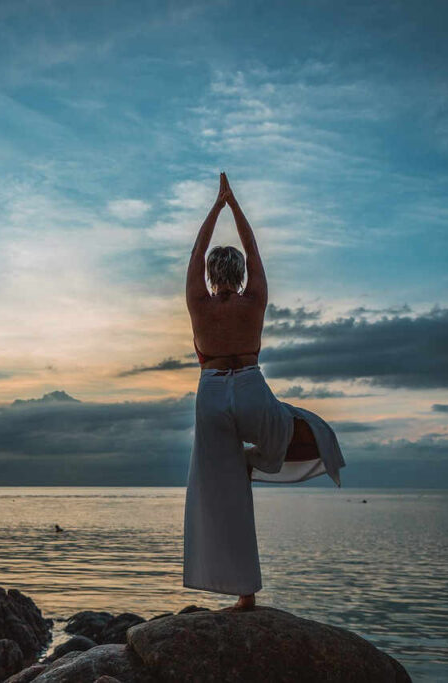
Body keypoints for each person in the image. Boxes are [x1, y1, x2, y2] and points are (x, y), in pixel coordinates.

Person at [183, 172, 345, 611]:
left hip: (212, 392)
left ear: (212, 275)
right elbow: (252, 250)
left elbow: (196, 254)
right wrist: (234, 206)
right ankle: (261, 461)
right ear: (238, 274)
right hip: (251, 387)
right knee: (285, 430)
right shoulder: (253, 300)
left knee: (222, 492)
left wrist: (214, 207)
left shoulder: (199, 304)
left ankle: (242, 591)